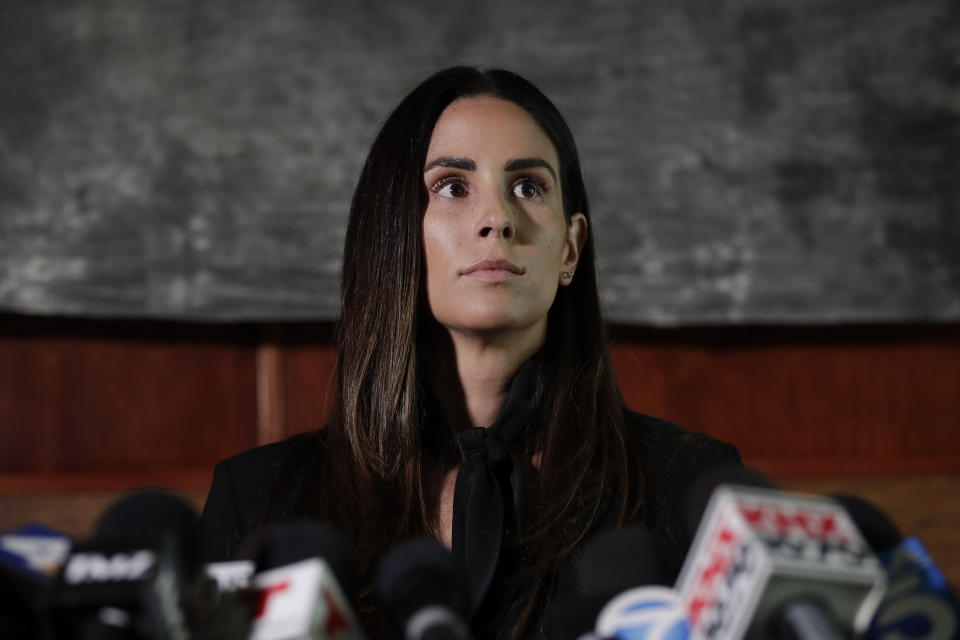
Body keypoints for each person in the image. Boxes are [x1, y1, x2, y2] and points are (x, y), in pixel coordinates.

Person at [200, 66, 741, 639]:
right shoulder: (259, 501)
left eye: (529, 187)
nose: (498, 219)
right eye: (452, 186)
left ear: (571, 249)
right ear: (395, 235)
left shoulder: (688, 483)